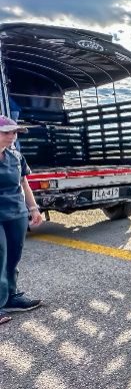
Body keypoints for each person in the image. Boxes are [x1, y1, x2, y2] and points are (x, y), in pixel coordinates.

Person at [0, 116, 44, 326]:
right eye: (6, 132)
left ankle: (11, 297)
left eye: (14, 132)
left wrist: (33, 209)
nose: (11, 136)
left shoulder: (16, 156)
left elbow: (24, 184)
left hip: (16, 213)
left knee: (13, 256)